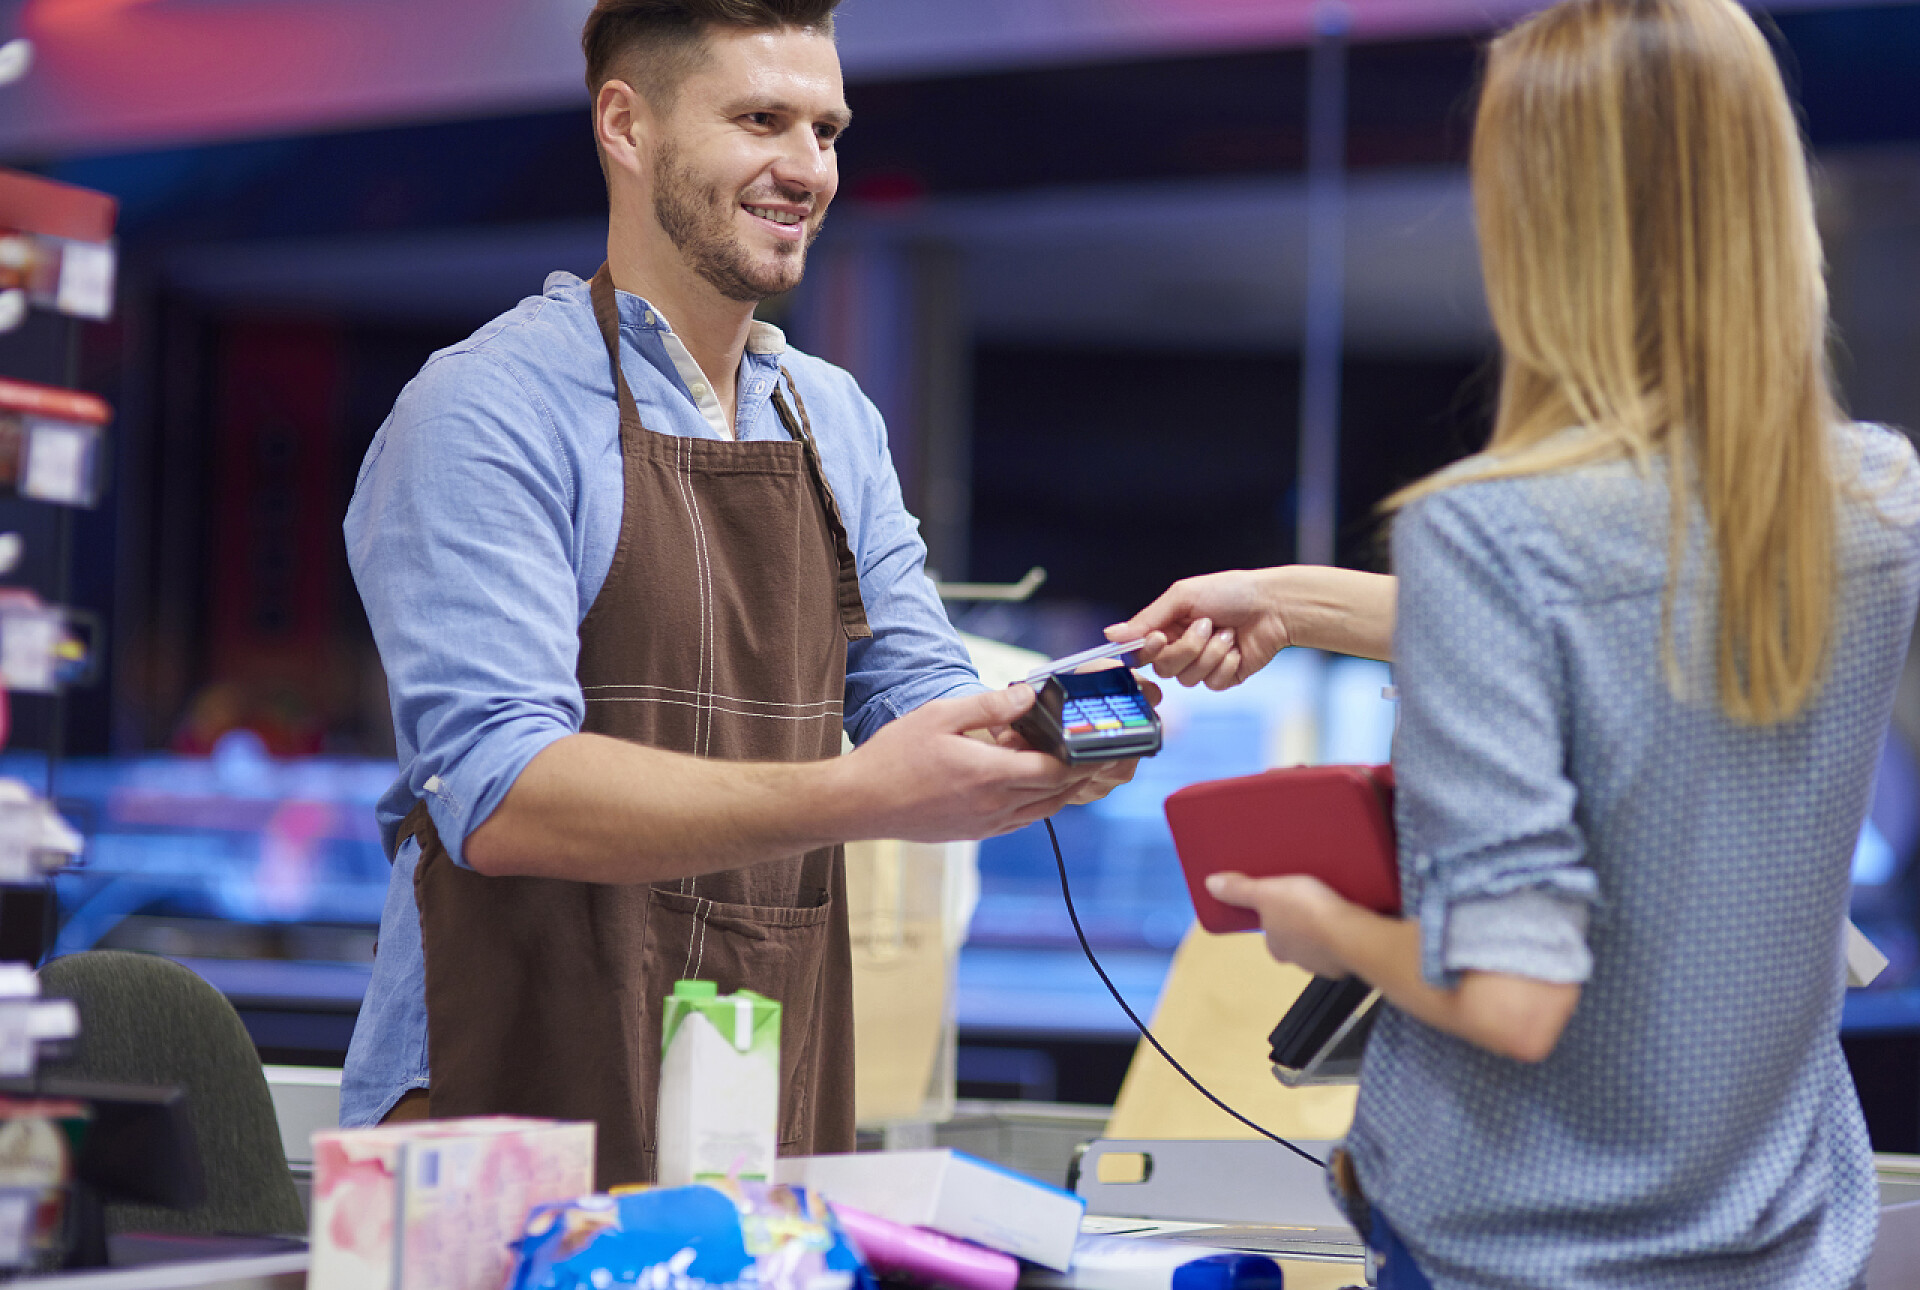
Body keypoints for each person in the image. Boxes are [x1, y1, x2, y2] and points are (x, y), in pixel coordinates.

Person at [1111, 0, 1920, 1284]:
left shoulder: (1491, 533)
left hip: (1521, 1246)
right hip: (1778, 1235)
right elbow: (1647, 619)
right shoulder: (1876, 502)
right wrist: (1297, 601)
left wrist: (1324, 924)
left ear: (1550, 218)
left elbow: (1512, 997)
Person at [341, 0, 1138, 1187]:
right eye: (761, 120)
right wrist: (855, 793)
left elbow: (915, 692)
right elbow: (501, 794)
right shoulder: (486, 410)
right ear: (628, 125)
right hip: (506, 1104)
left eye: (826, 128)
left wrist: (1049, 729)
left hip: (763, 1091)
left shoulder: (832, 418)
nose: (807, 168)